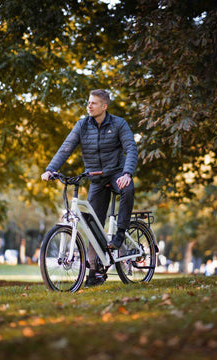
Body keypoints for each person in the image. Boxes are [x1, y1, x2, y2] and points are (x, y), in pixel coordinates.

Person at [41, 89, 138, 287]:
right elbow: (66, 147)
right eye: (89, 102)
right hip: (95, 178)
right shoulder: (82, 125)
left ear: (104, 106)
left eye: (94, 103)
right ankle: (95, 272)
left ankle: (120, 234)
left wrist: (127, 173)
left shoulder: (119, 124)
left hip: (116, 172)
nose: (89, 106)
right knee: (92, 226)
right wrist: (51, 169)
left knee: (128, 189)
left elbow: (131, 148)